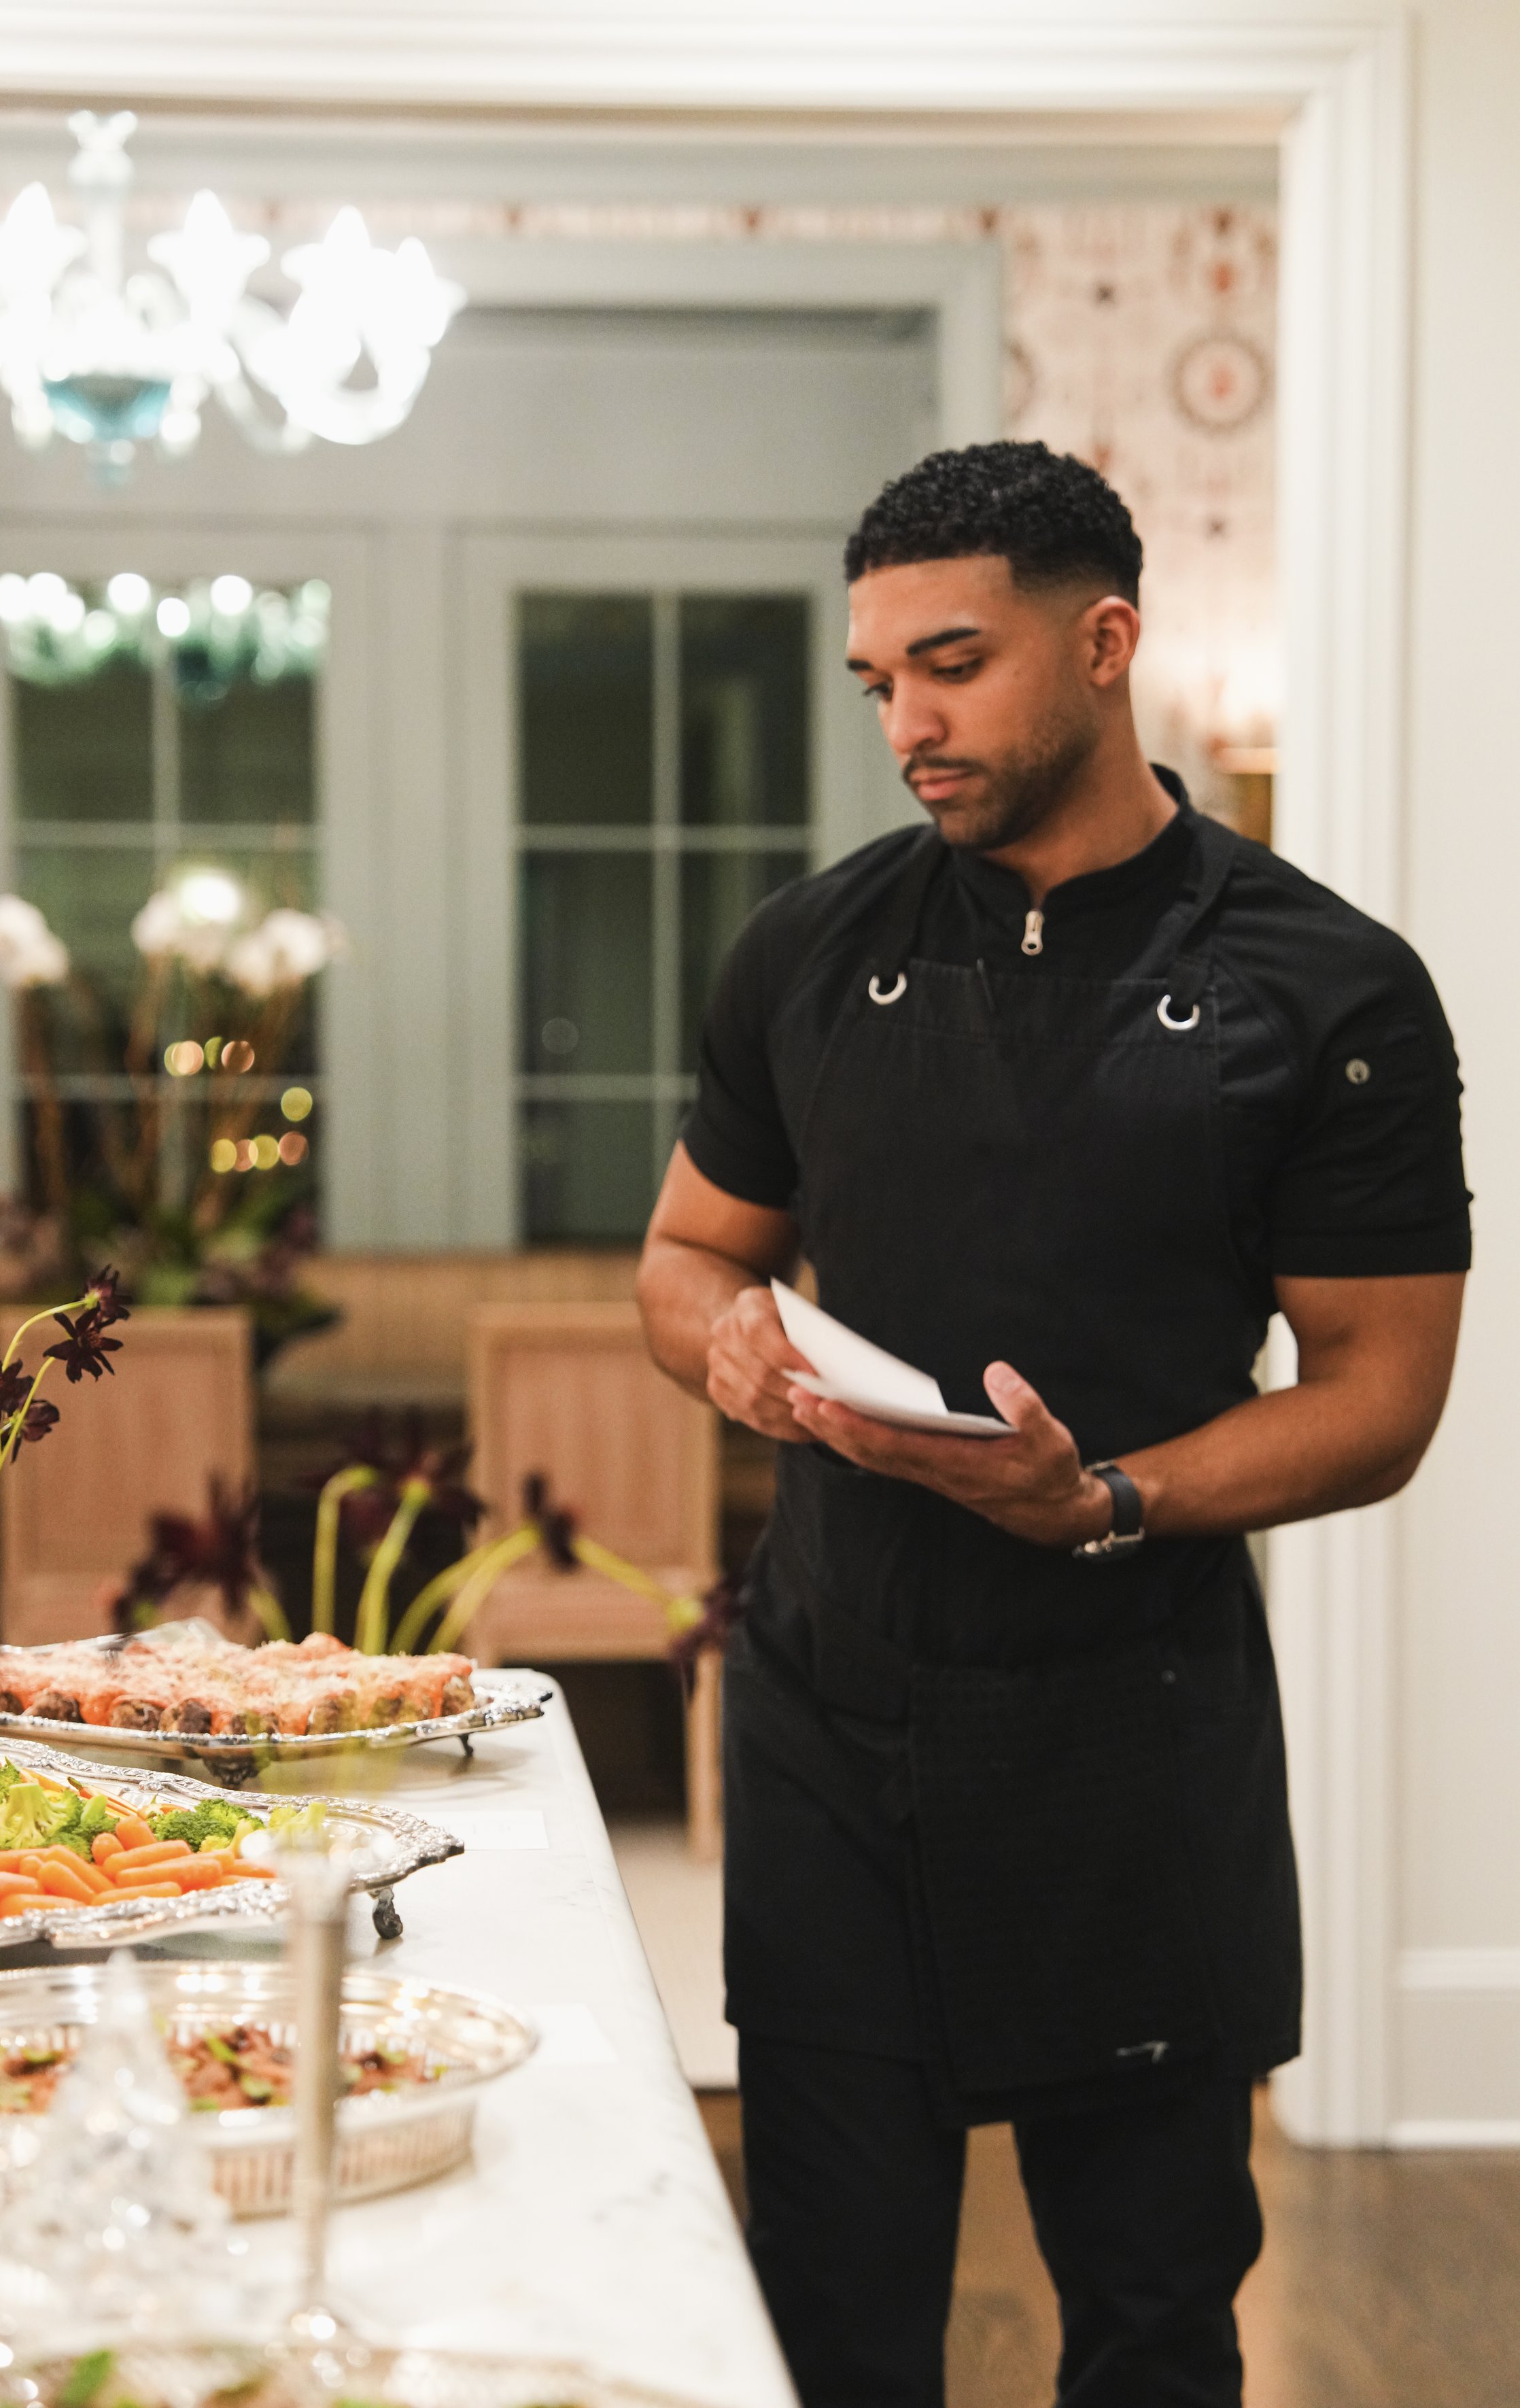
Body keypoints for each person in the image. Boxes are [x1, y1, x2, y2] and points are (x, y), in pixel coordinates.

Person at [635, 441, 1470, 2408]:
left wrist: (1103, 1497)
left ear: (1104, 645)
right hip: (827, 1712)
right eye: (875, 683)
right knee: (830, 2305)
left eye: (951, 665)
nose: (906, 725)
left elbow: (1381, 1401)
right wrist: (730, 1351)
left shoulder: (1326, 989)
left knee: (1156, 2316)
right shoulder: (804, 953)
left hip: (1131, 1731)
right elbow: (682, 1258)